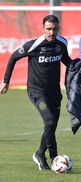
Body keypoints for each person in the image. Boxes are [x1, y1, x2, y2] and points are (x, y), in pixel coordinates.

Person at [0, 15, 72, 169]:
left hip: (54, 92)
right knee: (50, 121)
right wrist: (6, 81)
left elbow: (66, 60)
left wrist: (78, 68)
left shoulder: (62, 43)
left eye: (54, 29)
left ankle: (44, 155)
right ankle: (49, 157)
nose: (51, 32)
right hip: (37, 91)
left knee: (51, 126)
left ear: (58, 28)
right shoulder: (34, 45)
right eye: (48, 29)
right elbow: (13, 57)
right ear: (43, 28)